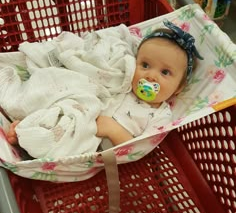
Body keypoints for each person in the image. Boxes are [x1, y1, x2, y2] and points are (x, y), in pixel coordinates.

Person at [6, 20, 203, 150]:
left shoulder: (161, 115)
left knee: (59, 140)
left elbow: (139, 149)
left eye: (165, 72)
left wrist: (113, 130)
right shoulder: (124, 83)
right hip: (80, 113)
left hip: (93, 143)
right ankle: (31, 121)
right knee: (59, 99)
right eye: (145, 65)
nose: (151, 76)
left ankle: (29, 136)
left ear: (178, 87)